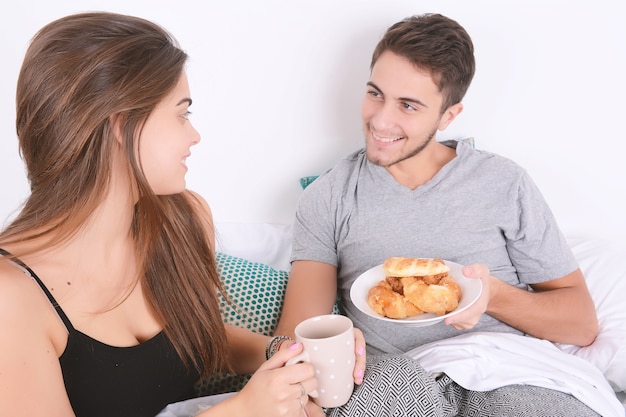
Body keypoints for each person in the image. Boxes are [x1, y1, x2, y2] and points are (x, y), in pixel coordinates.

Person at [0, 11, 373, 417]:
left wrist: (285, 352)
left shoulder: (181, 221)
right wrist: (241, 410)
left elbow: (193, 340)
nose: (193, 135)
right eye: (182, 113)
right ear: (120, 126)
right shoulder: (13, 297)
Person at [275, 13, 610, 416]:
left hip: (506, 368)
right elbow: (295, 335)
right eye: (375, 93)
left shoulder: (502, 182)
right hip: (392, 378)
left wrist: (493, 297)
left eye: (408, 105)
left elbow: (581, 324)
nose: (381, 120)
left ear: (448, 116)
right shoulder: (328, 197)